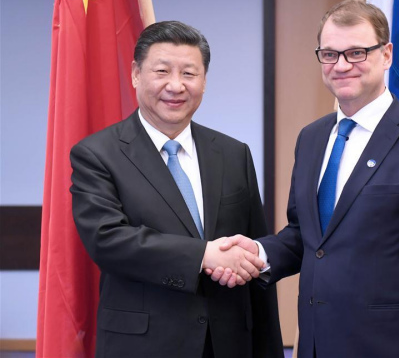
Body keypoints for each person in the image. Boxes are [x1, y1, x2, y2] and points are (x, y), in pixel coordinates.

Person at [212, 0, 399, 357]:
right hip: (316, 346)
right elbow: (308, 237)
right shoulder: (312, 138)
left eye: (357, 52)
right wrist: (256, 252)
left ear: (387, 54)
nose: (342, 65)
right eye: (330, 54)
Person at [70, 21, 283, 358]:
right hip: (144, 346)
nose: (176, 85)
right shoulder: (98, 153)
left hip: (229, 343)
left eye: (189, 73)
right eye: (162, 71)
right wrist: (203, 255)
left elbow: (253, 253)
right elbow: (107, 240)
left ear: (204, 80)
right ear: (136, 74)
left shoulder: (232, 153)